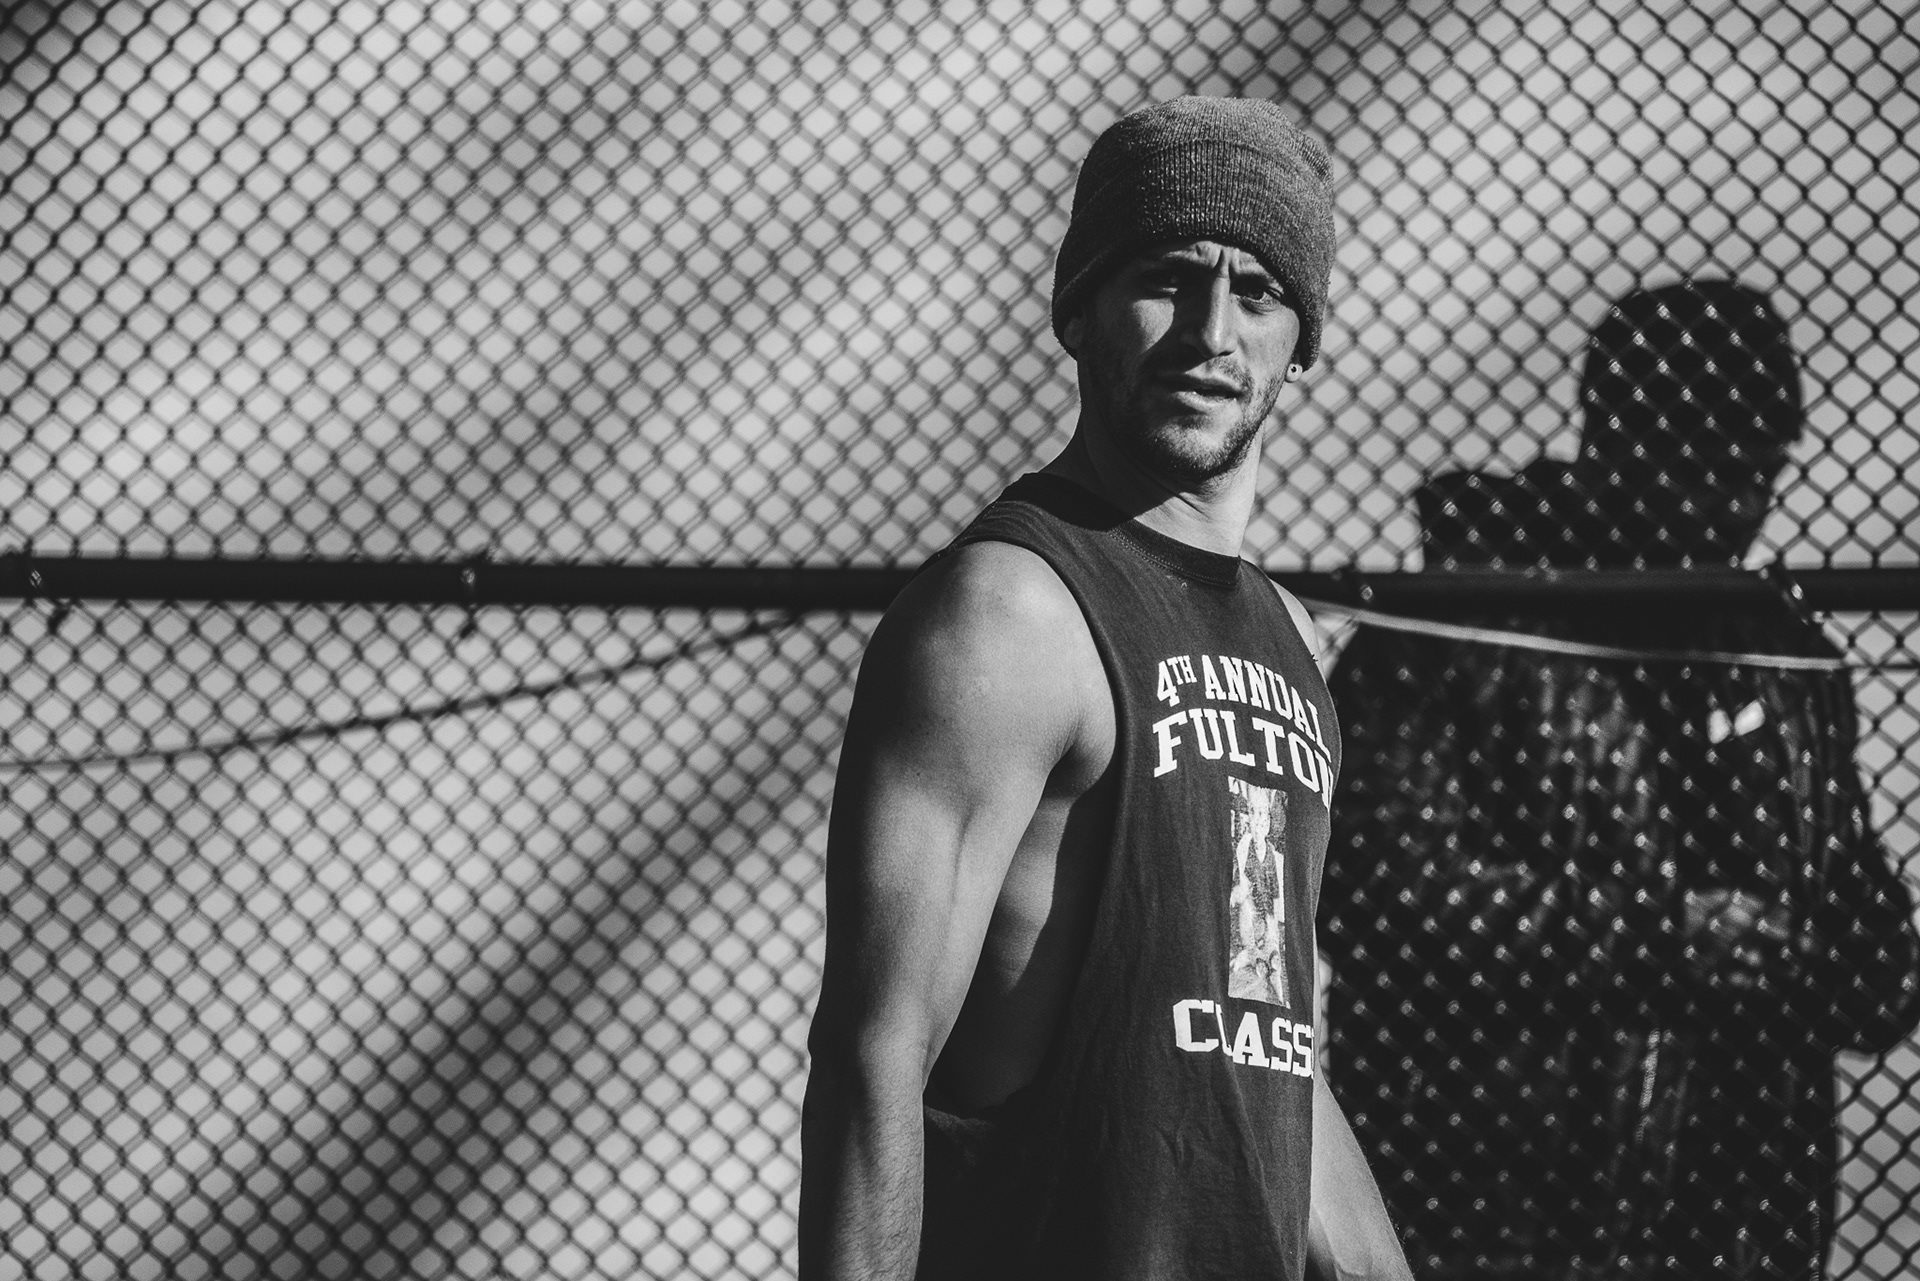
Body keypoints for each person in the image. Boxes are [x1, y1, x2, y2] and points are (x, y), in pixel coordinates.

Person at [800, 97, 1412, 1281]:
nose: (1211, 332)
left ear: (1302, 341)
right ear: (1077, 309)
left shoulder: (1289, 640)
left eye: (1258, 293)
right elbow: (874, 1053)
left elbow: (1263, 1036)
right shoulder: (1008, 613)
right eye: (1168, 280)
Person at [1317, 279, 1920, 1280]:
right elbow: (1371, 892)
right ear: (1616, 440)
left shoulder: (1786, 659)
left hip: (1740, 1226)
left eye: (1759, 471)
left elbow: (1874, 958)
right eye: (1705, 467)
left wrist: (1844, 957)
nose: (1736, 505)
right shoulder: (1453, 626)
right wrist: (1665, 939)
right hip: (1499, 1220)